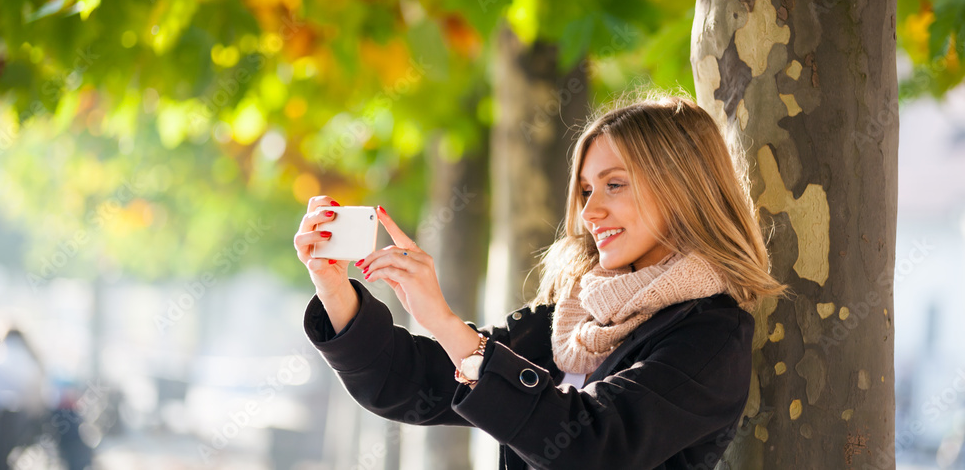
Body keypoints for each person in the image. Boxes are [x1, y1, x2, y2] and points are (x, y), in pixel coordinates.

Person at [298, 94, 791, 470]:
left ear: (682, 187)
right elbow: (409, 386)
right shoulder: (571, 315)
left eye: (614, 185)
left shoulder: (712, 335)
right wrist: (334, 288)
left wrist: (446, 323)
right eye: (585, 190)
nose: (590, 210)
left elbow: (590, 445)